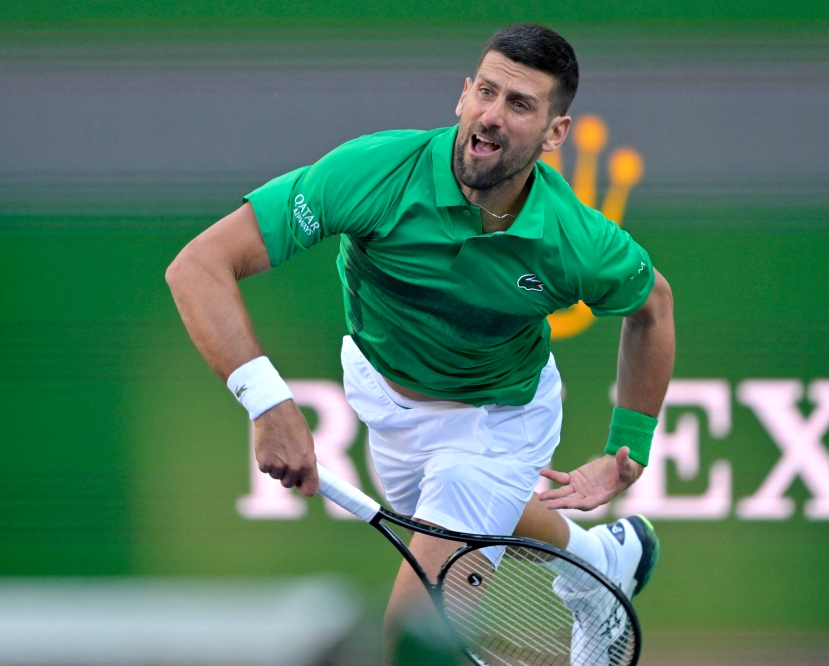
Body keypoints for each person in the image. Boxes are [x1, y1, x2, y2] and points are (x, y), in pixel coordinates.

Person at [166, 23, 674, 661]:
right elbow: (199, 267)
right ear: (462, 95)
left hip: (496, 424)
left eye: (519, 105)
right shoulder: (375, 172)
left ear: (554, 134)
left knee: (415, 639)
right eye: (486, 92)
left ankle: (579, 562)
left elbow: (652, 306)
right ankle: (600, 560)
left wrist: (628, 445)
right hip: (385, 399)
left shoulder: (574, 240)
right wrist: (269, 403)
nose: (492, 116)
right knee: (467, 521)